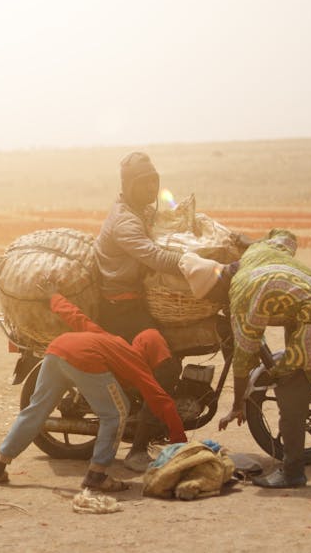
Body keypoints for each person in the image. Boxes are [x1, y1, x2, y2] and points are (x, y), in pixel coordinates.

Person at [179, 229, 311, 489]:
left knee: (289, 387)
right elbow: (286, 236)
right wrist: (247, 242)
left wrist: (237, 404)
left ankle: (292, 472)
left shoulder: (240, 294)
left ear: (216, 292)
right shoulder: (255, 254)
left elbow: (243, 358)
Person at [0, 293, 187, 491]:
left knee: (36, 410)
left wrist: (54, 298)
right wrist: (181, 445)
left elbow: (78, 319)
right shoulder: (136, 362)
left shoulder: (113, 340)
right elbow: (163, 402)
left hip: (58, 349)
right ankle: (97, 475)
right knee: (117, 413)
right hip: (83, 359)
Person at [94, 151, 183, 471]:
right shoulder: (125, 221)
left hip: (135, 301)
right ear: (128, 185)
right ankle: (138, 450)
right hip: (122, 308)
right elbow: (154, 256)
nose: (150, 189)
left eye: (154, 182)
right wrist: (193, 264)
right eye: (143, 183)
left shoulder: (138, 211)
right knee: (167, 369)